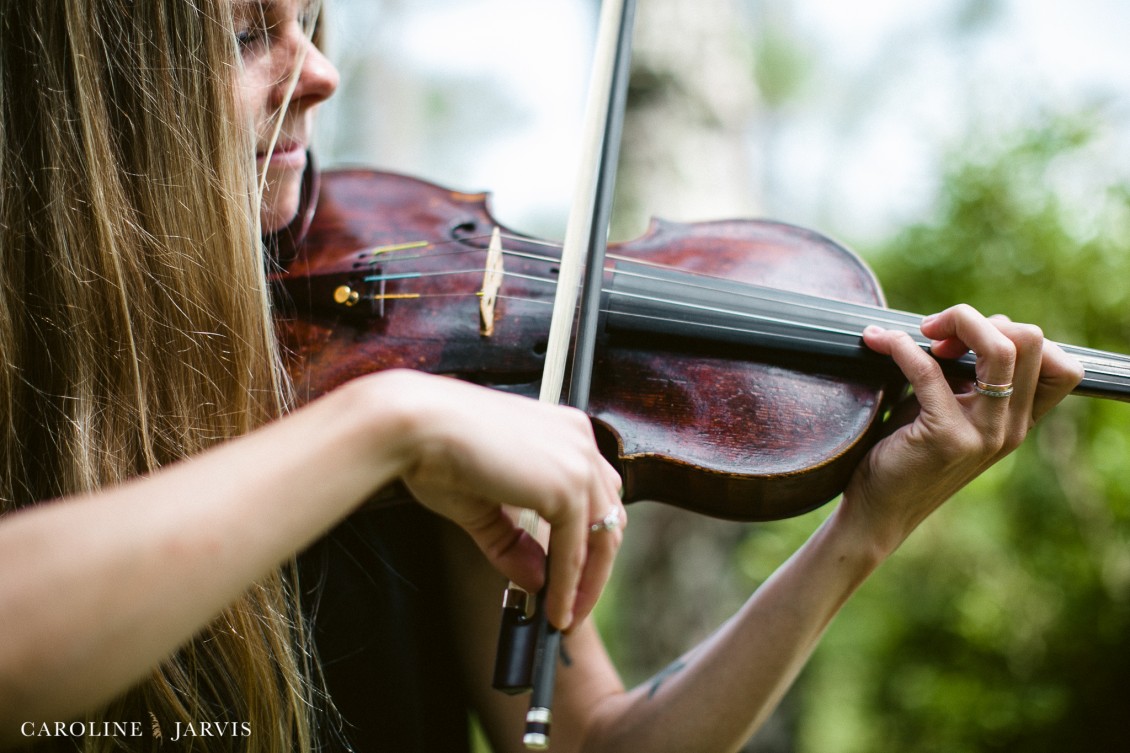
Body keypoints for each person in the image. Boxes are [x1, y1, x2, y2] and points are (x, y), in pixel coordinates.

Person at [0, 1, 1084, 752]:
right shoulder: (392, 405)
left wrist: (862, 531)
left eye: (311, 25)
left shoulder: (416, 358)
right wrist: (380, 425)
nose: (319, 72)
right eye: (250, 36)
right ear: (100, 99)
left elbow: (600, 744)